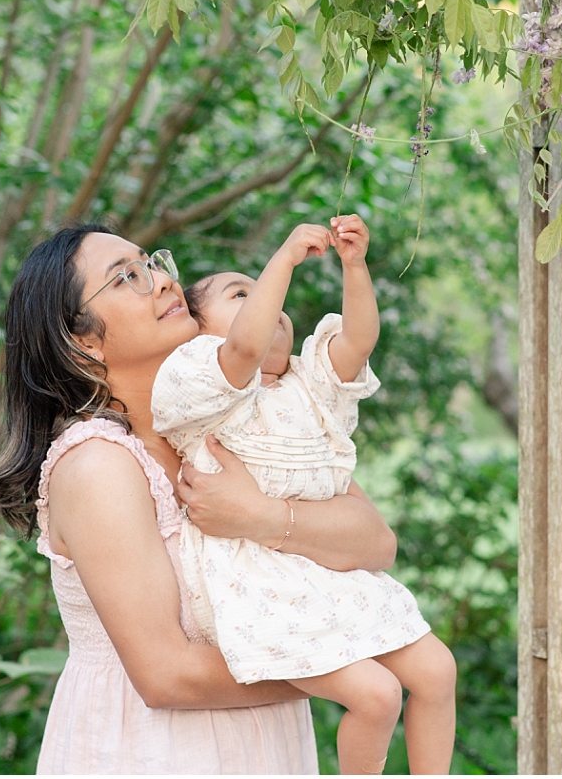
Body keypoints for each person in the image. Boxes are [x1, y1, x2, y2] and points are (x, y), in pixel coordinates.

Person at [0, 224, 401, 774]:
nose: (159, 283)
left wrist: (262, 516)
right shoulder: (99, 464)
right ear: (81, 341)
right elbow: (166, 674)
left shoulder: (241, 419)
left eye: (150, 265)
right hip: (154, 752)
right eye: (126, 278)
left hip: (262, 748)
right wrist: (342, 664)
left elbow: (376, 542)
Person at [158, 215, 456, 775]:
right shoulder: (200, 383)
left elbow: (358, 340)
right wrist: (286, 257)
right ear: (199, 334)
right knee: (377, 696)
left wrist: (354, 266)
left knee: (437, 672)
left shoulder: (307, 381)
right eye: (240, 292)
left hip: (323, 566)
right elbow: (243, 345)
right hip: (255, 576)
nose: (268, 302)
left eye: (265, 289)